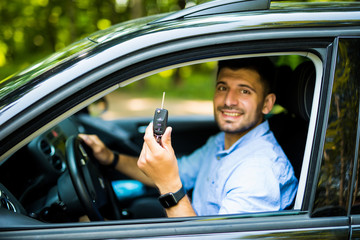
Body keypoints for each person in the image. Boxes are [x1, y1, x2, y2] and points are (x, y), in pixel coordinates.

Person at [80, 57, 298, 218]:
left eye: (244, 91)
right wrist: (110, 158)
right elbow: (179, 171)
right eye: (223, 87)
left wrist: (168, 185)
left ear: (267, 103)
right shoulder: (221, 142)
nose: (229, 100)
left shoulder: (258, 172)